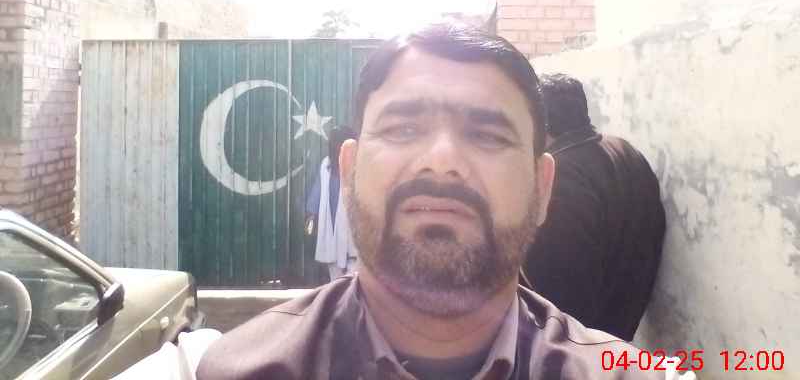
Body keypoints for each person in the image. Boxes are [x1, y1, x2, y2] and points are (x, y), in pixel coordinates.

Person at [115, 25, 691, 380]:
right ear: (348, 172)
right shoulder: (208, 370)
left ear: (543, 190)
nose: (441, 160)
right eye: (403, 128)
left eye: (488, 135)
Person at [522, 73, 666, 341]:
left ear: (540, 123)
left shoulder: (560, 179)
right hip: (619, 329)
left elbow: (559, 289)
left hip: (575, 341)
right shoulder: (626, 151)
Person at [305, 125, 359, 281]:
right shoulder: (326, 165)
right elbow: (318, 189)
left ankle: (351, 288)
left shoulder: (360, 164)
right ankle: (339, 289)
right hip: (332, 218)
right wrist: (311, 215)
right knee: (333, 257)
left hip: (351, 219)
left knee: (352, 255)